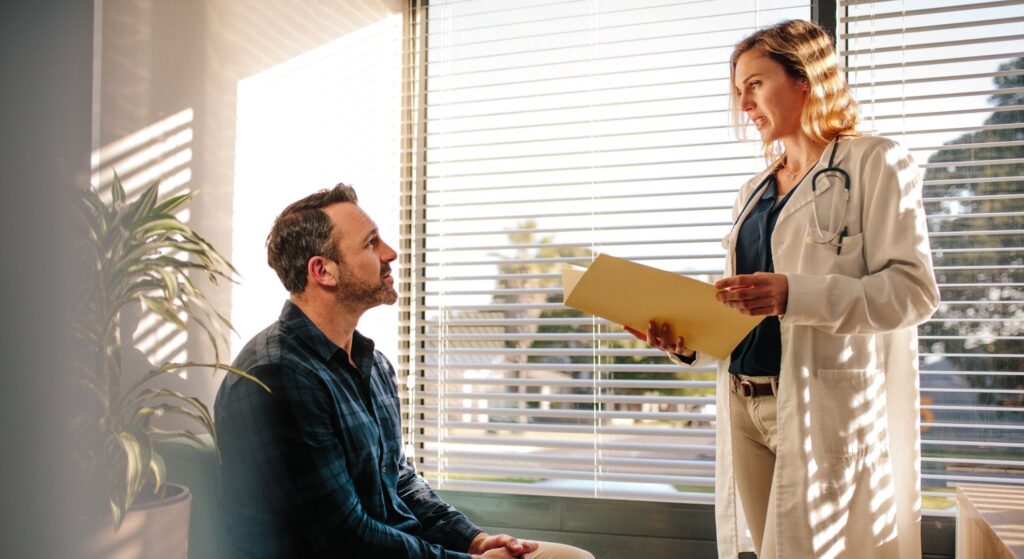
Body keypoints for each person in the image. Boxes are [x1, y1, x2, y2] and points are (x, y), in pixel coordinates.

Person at [626, 20, 940, 559]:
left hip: (820, 405)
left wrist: (794, 295)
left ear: (805, 79)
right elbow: (741, 308)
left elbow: (913, 292)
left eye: (755, 84)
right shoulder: (753, 191)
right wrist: (687, 339)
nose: (743, 103)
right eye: (738, 90)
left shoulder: (875, 162)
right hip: (743, 401)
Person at [215, 185, 594, 559]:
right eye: (371, 243)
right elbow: (344, 540)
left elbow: (398, 479)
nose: (390, 253)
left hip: (399, 549)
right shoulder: (277, 376)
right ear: (323, 270)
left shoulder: (374, 365)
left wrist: (475, 541)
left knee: (573, 558)